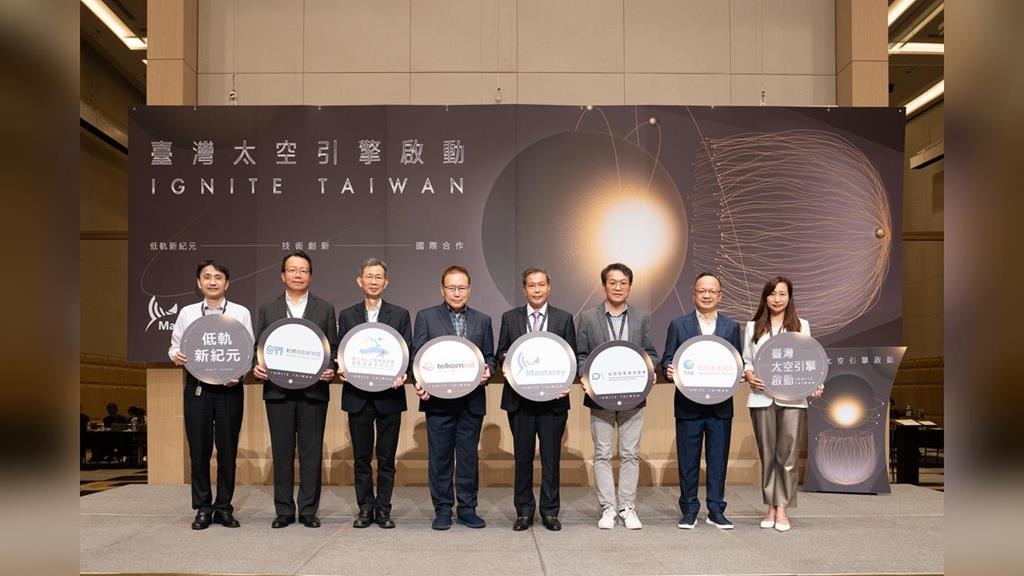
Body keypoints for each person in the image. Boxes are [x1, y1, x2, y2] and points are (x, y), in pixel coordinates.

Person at [253, 251, 338, 529]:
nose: (298, 275)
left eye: (303, 270)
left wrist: (331, 368)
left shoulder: (325, 308)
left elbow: (332, 348)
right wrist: (257, 367)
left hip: (314, 391)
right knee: (282, 452)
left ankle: (309, 510)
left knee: (311, 453)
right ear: (283, 275)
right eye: (292, 270)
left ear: (310, 276)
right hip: (278, 392)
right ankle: (284, 510)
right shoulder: (268, 309)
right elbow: (259, 347)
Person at [168, 260, 253, 530]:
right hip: (198, 389)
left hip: (230, 389)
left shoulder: (240, 312)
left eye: (218, 277)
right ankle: (203, 507)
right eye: (207, 277)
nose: (212, 281)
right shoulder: (187, 313)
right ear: (199, 282)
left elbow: (248, 351)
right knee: (199, 450)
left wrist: (239, 374)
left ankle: (224, 507)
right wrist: (176, 355)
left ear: (227, 283)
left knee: (227, 450)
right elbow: (174, 347)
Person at [411, 265, 496, 530]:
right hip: (437, 402)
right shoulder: (426, 317)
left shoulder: (483, 320)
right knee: (440, 458)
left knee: (468, 457)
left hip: (471, 402)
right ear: (442, 290)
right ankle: (443, 509)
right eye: (451, 287)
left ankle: (468, 508)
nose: (456, 293)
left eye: (461, 288)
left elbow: (490, 356)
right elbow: (417, 358)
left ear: (469, 290)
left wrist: (489, 369)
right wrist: (419, 383)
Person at [576, 262, 658, 530]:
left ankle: (627, 507)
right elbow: (581, 355)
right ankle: (608, 508)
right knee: (602, 452)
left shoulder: (641, 317)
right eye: (612, 282)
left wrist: (650, 370)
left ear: (630, 286)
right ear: (604, 286)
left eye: (623, 282)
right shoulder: (588, 317)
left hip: (633, 395)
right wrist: (584, 375)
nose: (618, 287)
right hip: (600, 396)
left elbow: (651, 353)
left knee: (630, 453)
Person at [495, 266, 577, 532]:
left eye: (541, 284)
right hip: (520, 402)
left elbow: (571, 357)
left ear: (549, 287)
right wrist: (507, 360)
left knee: (551, 459)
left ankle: (550, 511)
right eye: (532, 285)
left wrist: (566, 381)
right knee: (522, 458)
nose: (537, 290)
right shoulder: (510, 318)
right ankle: (524, 511)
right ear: (524, 289)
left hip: (553, 401)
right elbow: (501, 352)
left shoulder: (563, 318)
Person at [660, 272, 742, 530]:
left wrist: (738, 373)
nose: (707, 295)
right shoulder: (678, 325)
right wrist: (668, 369)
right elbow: (667, 358)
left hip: (720, 406)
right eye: (702, 290)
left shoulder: (731, 327)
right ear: (693, 294)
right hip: (688, 405)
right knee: (688, 460)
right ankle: (689, 509)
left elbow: (737, 360)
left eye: (712, 291)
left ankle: (716, 510)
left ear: (720, 295)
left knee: (718, 460)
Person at [742, 276, 823, 532]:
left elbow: (810, 361)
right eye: (772, 294)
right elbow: (747, 361)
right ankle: (770, 507)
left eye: (782, 294)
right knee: (768, 455)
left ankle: (783, 509)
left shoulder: (801, 326)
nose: (777, 299)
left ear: (790, 297)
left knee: (787, 456)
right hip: (761, 397)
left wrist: (816, 383)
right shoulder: (753, 326)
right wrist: (749, 375)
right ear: (765, 297)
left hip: (793, 400)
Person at [337, 258, 412, 530]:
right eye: (369, 276)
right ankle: (365, 508)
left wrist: (403, 373)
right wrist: (340, 367)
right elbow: (341, 351)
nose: (373, 281)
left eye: (379, 277)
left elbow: (407, 352)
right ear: (360, 281)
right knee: (361, 458)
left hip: (389, 397)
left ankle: (383, 509)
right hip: (357, 397)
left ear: (386, 282)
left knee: (386, 459)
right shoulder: (347, 315)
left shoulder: (400, 314)